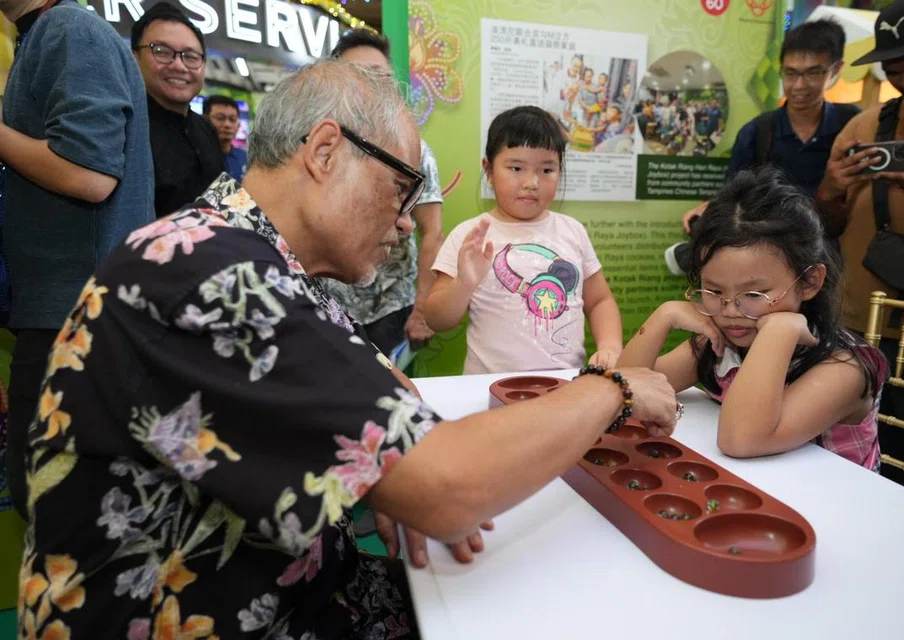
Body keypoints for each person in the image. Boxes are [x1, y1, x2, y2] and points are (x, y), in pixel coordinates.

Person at [17, 60, 679, 639]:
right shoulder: (213, 272)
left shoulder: (249, 258)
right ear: (326, 150)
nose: (403, 221)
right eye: (399, 188)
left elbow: (387, 393)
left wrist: (394, 471)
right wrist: (611, 388)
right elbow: (450, 488)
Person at [620, 167, 886, 469]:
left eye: (755, 294)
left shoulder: (845, 368)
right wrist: (662, 317)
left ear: (810, 282)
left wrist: (778, 333)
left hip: (833, 508)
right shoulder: (721, 343)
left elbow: (741, 440)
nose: (731, 310)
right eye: (713, 290)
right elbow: (626, 393)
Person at [0, 0, 154, 518]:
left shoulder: (68, 28)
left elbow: (88, 173)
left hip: (74, 315)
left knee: (59, 507)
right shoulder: (47, 33)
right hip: (68, 310)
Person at [816, 0, 904, 510]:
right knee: (868, 460)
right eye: (894, 68)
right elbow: (827, 226)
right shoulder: (867, 125)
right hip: (861, 326)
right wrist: (832, 188)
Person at [425, 106, 623, 373]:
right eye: (516, 168)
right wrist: (464, 284)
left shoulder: (573, 230)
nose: (531, 182)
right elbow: (437, 319)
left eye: (546, 170)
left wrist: (610, 345)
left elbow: (600, 300)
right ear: (489, 170)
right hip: (491, 389)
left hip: (567, 387)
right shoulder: (469, 235)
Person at [665, 19, 859, 276]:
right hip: (773, 259)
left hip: (835, 259)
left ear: (835, 70)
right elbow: (736, 194)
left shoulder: (853, 127)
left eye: (812, 72)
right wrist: (711, 207)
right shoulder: (758, 132)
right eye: (790, 73)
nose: (799, 85)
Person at [320, 30, 445, 359]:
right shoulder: (316, 147)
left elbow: (432, 233)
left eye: (380, 77)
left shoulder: (415, 151)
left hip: (393, 310)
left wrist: (422, 310)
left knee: (388, 401)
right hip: (324, 307)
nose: (371, 87)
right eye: (358, 76)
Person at [132, 1, 223, 217]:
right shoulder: (125, 128)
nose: (179, 66)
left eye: (190, 56)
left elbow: (225, 204)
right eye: (162, 52)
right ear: (135, 58)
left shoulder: (206, 129)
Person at [203, 94, 247, 182]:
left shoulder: (246, 158)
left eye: (232, 119)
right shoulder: (197, 157)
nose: (227, 124)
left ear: (238, 125)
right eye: (220, 118)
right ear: (204, 120)